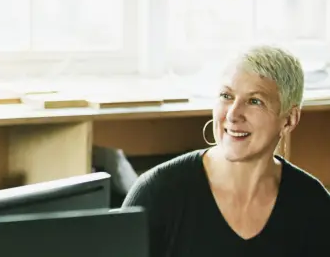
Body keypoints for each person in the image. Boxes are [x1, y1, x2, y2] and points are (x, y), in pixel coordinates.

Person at [122, 45, 330, 256]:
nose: (233, 114)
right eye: (226, 96)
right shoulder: (157, 194)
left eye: (255, 101)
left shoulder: (313, 204)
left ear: (289, 119)